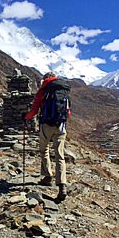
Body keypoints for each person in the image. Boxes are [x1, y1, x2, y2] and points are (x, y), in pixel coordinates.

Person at [24, 72, 71, 201]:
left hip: (46, 126)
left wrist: (26, 118)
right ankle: (62, 186)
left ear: (45, 79)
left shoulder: (43, 91)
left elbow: (34, 110)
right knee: (59, 155)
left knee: (44, 150)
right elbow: (68, 111)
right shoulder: (64, 90)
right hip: (61, 126)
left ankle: (48, 176)